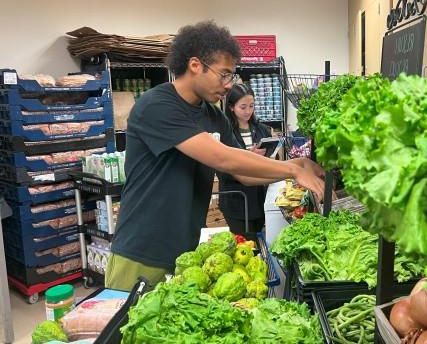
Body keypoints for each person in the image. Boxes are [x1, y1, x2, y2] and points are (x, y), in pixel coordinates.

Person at [105, 21, 325, 291]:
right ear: (195, 65)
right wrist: (292, 171)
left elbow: (242, 172)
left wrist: (295, 164)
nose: (228, 85)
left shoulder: (212, 116)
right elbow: (221, 158)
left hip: (184, 252)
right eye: (224, 74)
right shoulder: (156, 105)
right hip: (140, 251)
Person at [219, 83, 272, 235]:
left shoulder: (262, 129)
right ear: (231, 107)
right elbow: (222, 168)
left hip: (260, 199)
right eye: (243, 107)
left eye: (251, 106)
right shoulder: (225, 132)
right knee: (244, 244)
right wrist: (249, 158)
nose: (248, 111)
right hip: (237, 201)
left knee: (259, 242)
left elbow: (268, 162)